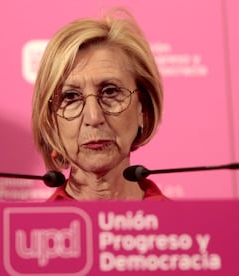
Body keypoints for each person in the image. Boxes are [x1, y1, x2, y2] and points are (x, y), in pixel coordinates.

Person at [32, 8, 168, 201]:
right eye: (70, 97)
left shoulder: (184, 228)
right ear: (51, 122)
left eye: (110, 92)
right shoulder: (29, 229)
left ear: (142, 110)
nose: (94, 117)